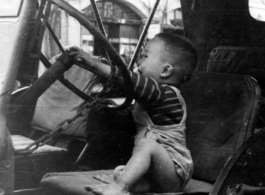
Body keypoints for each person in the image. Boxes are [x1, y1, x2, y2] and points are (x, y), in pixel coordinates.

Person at [68, 32, 197, 195]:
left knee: (146, 145)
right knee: (120, 171)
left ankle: (120, 187)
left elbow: (132, 81)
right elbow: (131, 102)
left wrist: (93, 64)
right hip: (157, 173)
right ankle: (140, 185)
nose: (138, 61)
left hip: (174, 172)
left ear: (165, 71)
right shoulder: (153, 97)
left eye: (145, 56)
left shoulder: (164, 94)